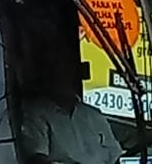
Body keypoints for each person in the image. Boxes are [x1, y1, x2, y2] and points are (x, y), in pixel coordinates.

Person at [19, 33, 122, 164]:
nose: (63, 72)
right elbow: (37, 158)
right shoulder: (36, 114)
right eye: (57, 66)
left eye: (68, 65)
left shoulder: (94, 115)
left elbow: (115, 158)